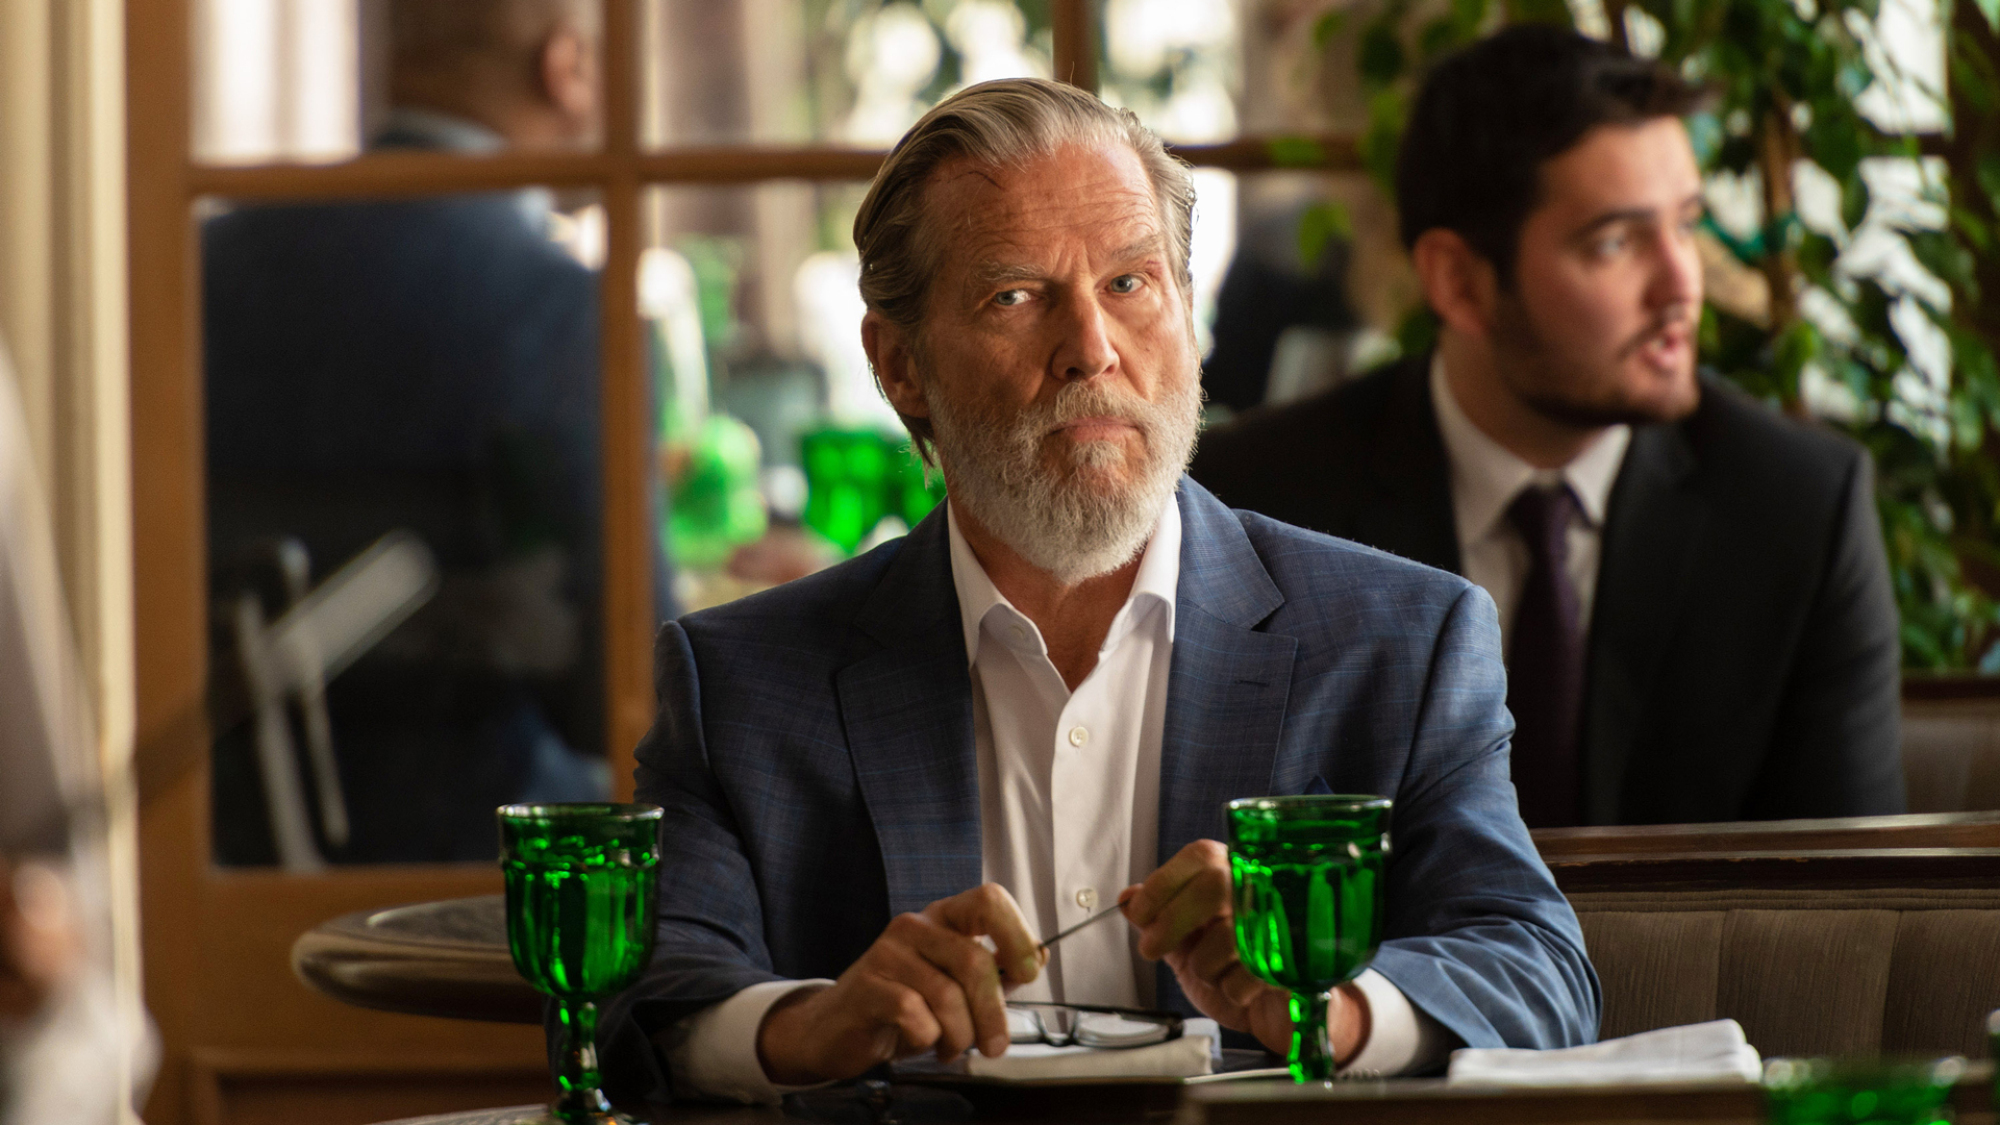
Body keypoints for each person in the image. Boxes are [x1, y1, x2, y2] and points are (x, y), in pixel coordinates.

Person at [588, 78, 1596, 1109]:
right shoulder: (743, 683)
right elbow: (632, 1011)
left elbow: (1535, 973)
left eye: (1128, 283)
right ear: (898, 366)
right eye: (1014, 297)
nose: (1092, 350)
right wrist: (809, 1025)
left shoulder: (1400, 642)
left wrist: (1325, 1006)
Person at [1191, 26, 1903, 828]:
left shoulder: (1799, 507)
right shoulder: (1257, 502)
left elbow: (1847, 899)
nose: (1681, 285)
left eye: (1686, 225)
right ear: (1460, 283)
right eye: (1614, 242)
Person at [203, 0, 667, 864]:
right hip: (494, 891)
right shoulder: (565, 314)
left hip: (218, 868)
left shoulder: (197, 268)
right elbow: (631, 699)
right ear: (566, 69)